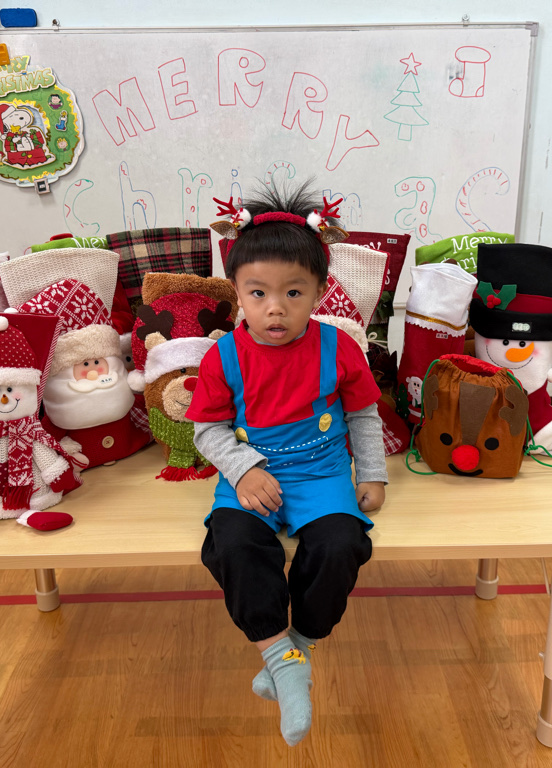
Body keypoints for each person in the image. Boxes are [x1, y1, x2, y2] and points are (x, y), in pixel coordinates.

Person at [187, 181, 388, 746]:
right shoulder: (223, 355)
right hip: (251, 478)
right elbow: (208, 430)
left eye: (293, 293)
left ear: (320, 292)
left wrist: (372, 474)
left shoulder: (338, 347)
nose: (275, 308)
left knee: (340, 545)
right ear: (236, 291)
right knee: (233, 545)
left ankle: (294, 650)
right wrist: (244, 470)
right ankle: (278, 651)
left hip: (321, 475)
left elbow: (364, 414)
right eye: (258, 293)